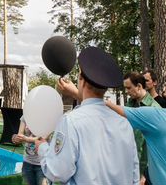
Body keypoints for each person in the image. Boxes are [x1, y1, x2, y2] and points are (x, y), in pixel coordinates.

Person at [35, 47, 139, 185]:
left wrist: (42, 148)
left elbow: (57, 173)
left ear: (81, 80)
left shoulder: (71, 121)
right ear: (105, 87)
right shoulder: (124, 123)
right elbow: (134, 175)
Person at [123, 72, 161, 178]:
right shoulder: (130, 104)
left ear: (139, 86)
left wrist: (145, 175)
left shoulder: (155, 109)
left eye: (129, 88)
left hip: (146, 171)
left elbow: (158, 145)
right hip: (129, 165)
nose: (127, 92)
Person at [13, 118, 46, 185]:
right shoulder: (25, 115)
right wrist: (16, 138)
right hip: (27, 162)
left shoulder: (47, 116)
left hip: (43, 164)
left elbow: (42, 138)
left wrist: (26, 139)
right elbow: (20, 134)